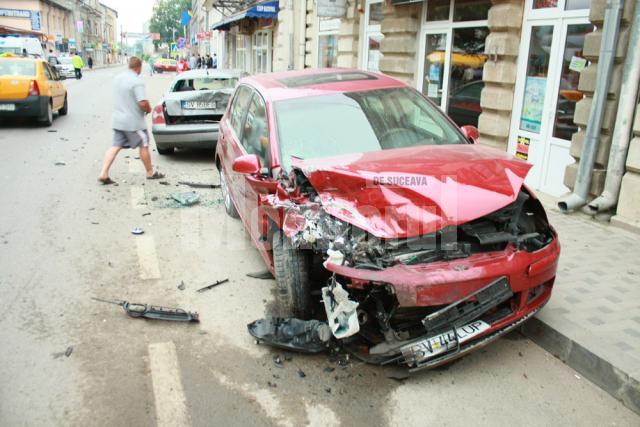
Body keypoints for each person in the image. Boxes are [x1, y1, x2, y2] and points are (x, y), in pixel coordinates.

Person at [98, 56, 164, 185]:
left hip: (118, 120)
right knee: (144, 144)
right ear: (139, 67)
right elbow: (142, 102)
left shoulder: (118, 78)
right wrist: (149, 109)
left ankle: (103, 173)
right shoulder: (136, 82)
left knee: (115, 146)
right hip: (133, 123)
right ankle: (150, 172)